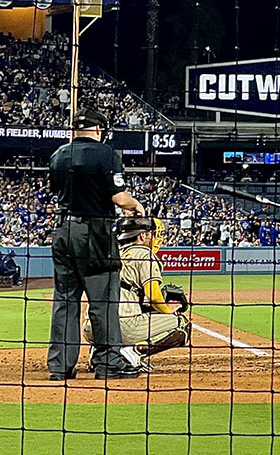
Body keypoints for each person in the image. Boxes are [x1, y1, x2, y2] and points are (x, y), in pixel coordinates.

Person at [47, 106, 145, 381]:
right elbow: (119, 198)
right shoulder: (106, 154)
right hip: (94, 233)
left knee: (65, 300)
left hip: (62, 230)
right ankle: (108, 363)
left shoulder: (58, 154)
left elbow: (56, 190)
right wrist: (136, 206)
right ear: (99, 130)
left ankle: (60, 366)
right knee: (103, 301)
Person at [82, 216, 190, 372]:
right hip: (121, 326)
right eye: (152, 234)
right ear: (142, 236)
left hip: (91, 326)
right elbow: (153, 295)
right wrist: (167, 310)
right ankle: (131, 353)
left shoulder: (113, 252)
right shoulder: (144, 254)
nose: (155, 238)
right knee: (182, 323)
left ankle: (100, 353)